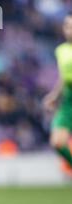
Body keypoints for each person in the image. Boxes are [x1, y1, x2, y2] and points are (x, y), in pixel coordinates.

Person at [43, 13, 72, 173]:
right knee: (57, 142)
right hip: (69, 100)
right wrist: (54, 95)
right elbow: (63, 76)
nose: (70, 30)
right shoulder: (61, 50)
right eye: (67, 26)